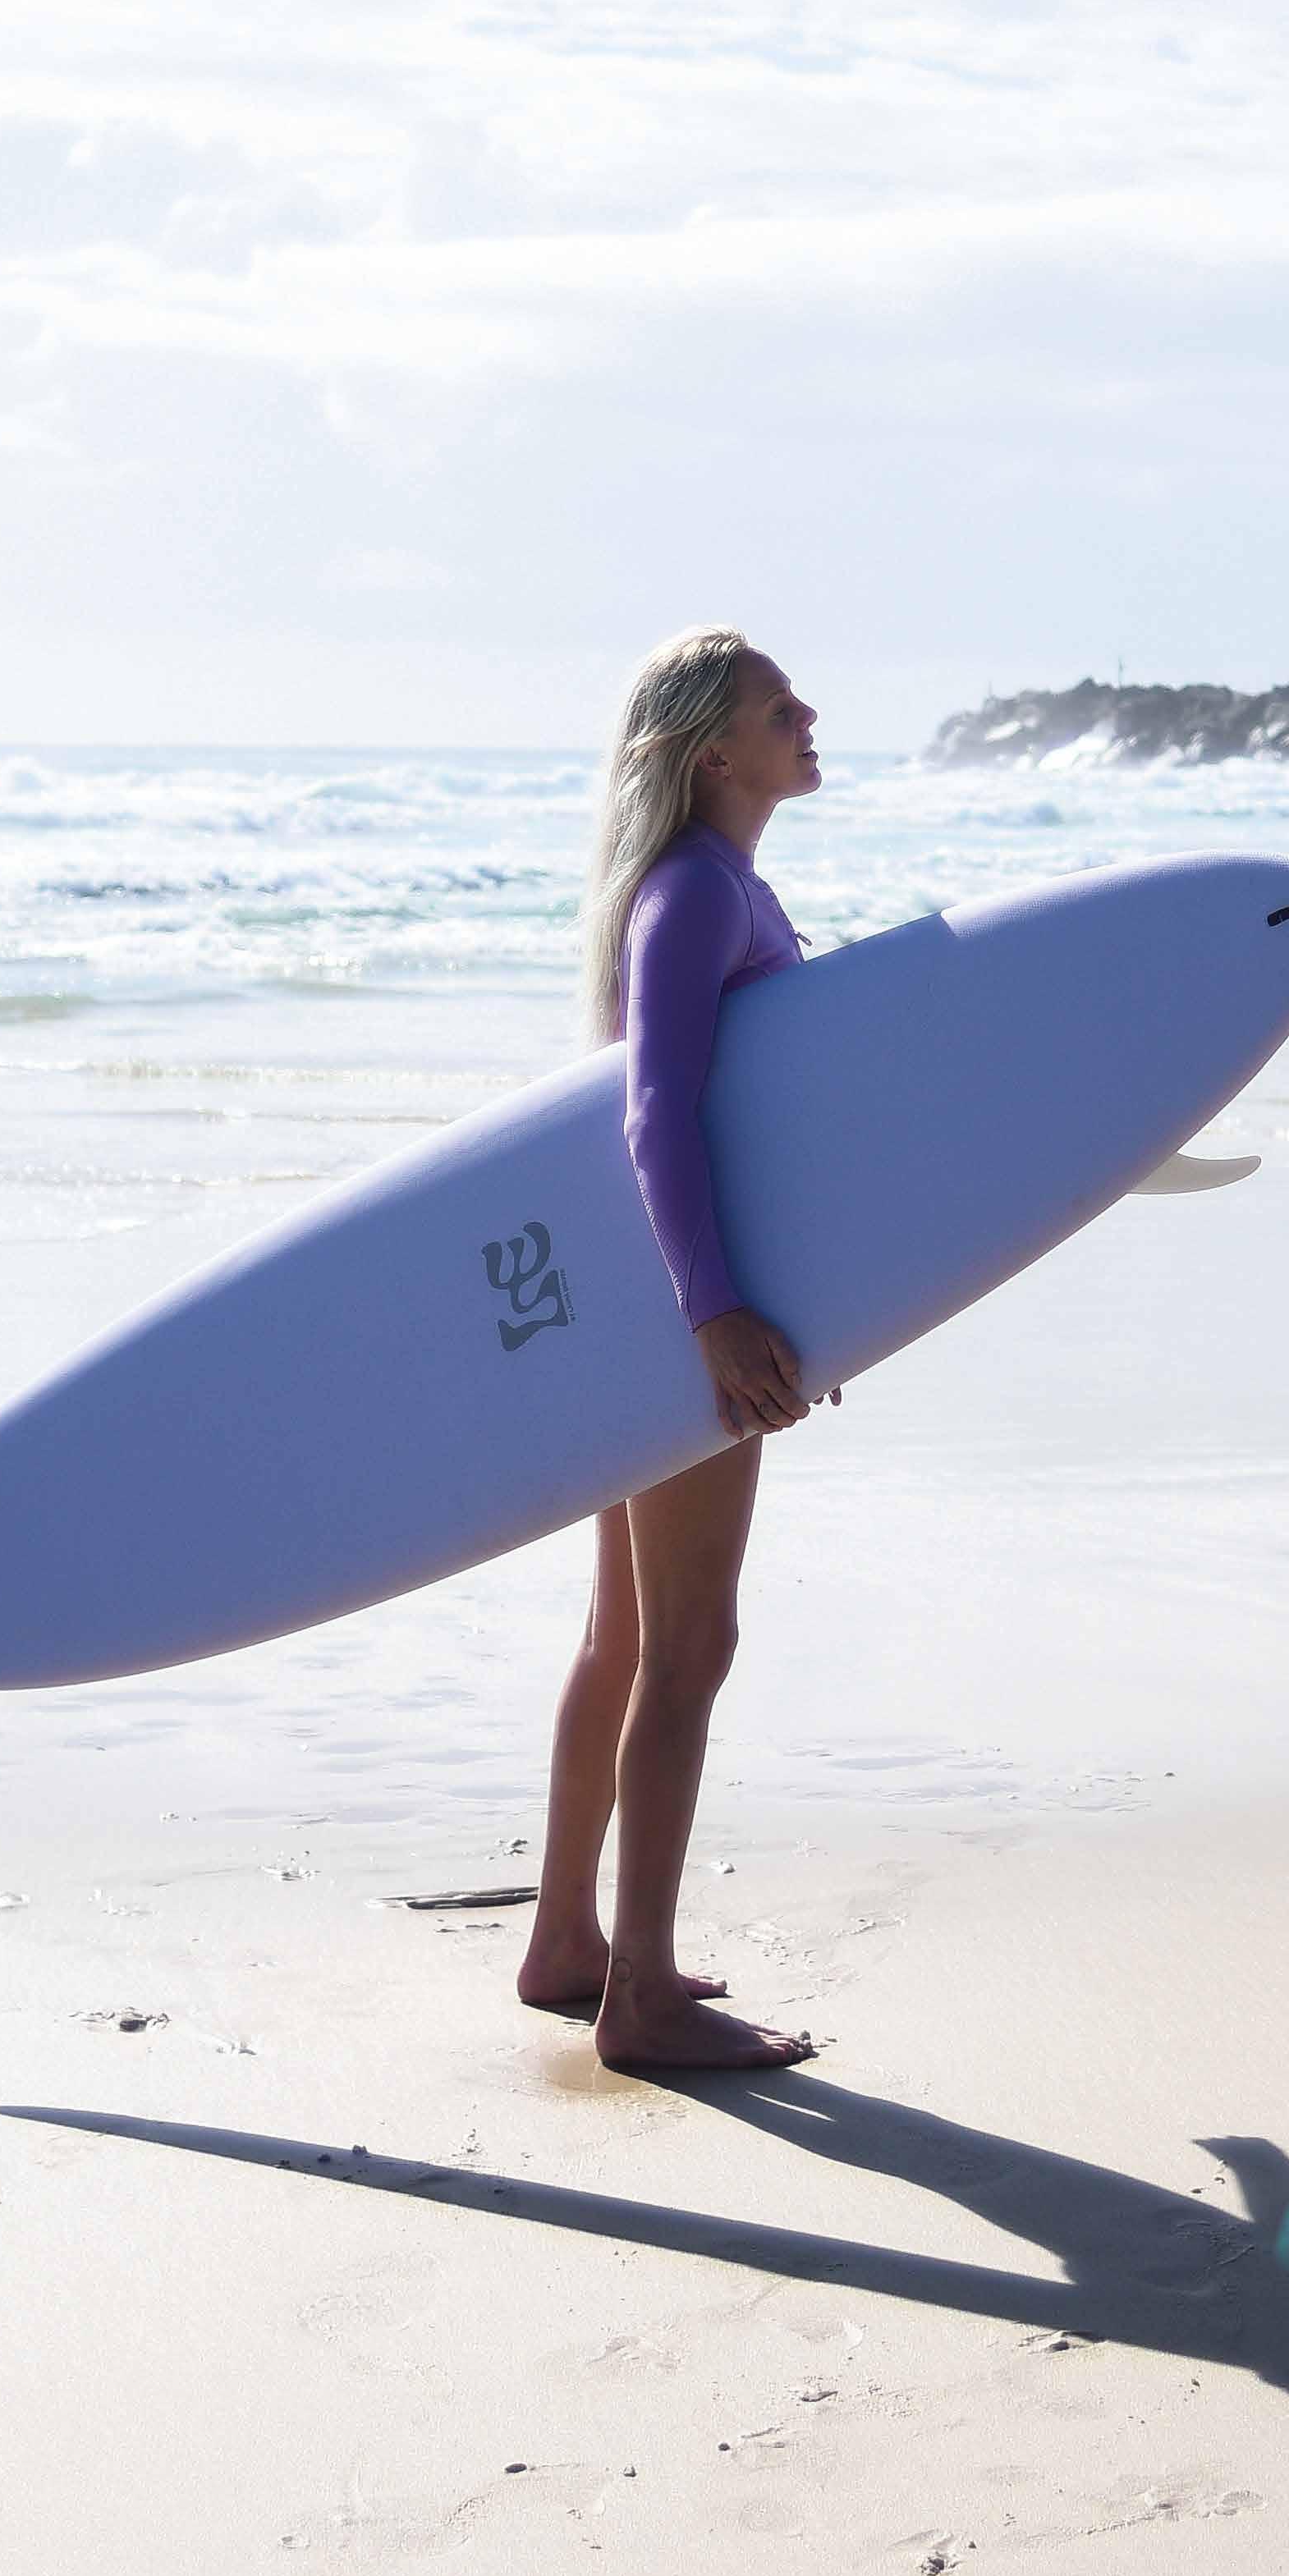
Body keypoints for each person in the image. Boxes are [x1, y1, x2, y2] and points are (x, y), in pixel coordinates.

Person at [516, 629, 829, 2072]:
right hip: (679, 1308)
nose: (806, 715)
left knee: (627, 1638)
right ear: (715, 753)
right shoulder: (696, 889)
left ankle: (567, 1941)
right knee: (688, 1641)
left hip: (651, 1293)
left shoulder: (712, 882)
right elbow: (658, 1116)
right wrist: (718, 1311)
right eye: (777, 706)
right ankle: (638, 1990)